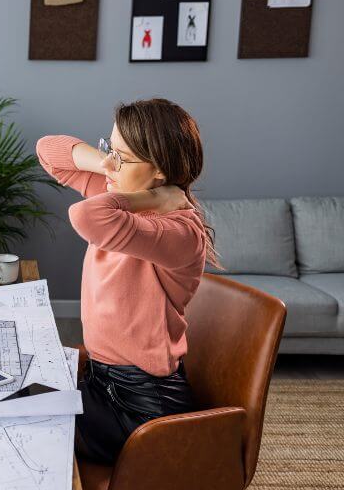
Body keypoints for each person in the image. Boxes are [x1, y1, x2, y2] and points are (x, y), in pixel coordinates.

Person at [36, 98, 220, 465]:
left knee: (23, 423)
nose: (110, 166)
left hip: (141, 405)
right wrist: (108, 163)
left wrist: (154, 197)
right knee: (10, 395)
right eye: (110, 149)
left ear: (159, 172)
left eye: (122, 158)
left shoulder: (178, 232)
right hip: (102, 381)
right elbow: (48, 151)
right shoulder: (115, 195)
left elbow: (86, 216)